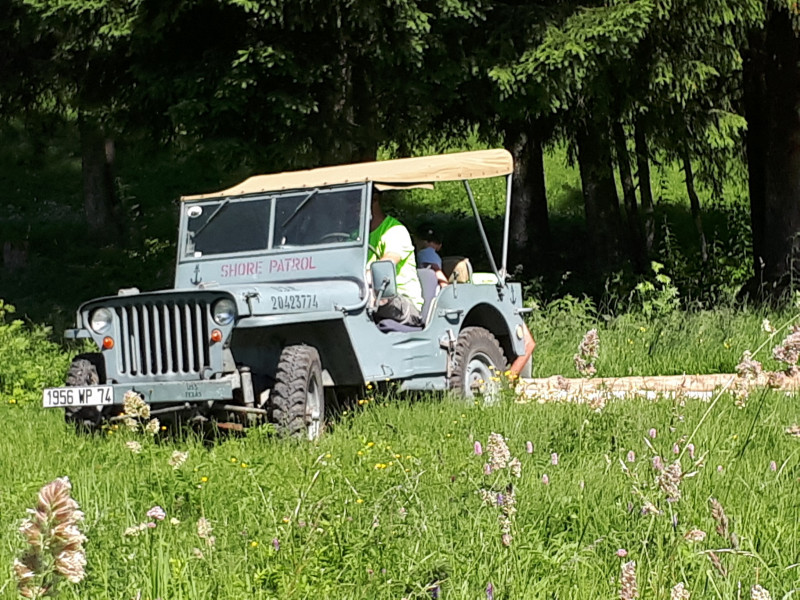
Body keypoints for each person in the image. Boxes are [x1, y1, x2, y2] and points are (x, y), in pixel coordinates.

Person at [368, 191, 424, 326]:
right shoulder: (356, 236)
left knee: (374, 297)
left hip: (402, 302)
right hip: (369, 295)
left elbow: (389, 260)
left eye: (355, 201)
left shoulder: (394, 230)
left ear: (374, 199)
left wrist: (365, 277)